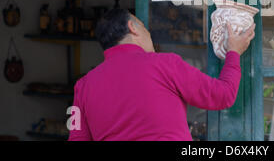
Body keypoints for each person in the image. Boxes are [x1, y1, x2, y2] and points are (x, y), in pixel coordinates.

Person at [68, 8, 255, 141]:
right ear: (133, 28)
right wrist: (233, 53)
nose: (148, 33)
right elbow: (223, 95)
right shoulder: (165, 64)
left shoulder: (83, 86)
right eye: (143, 26)